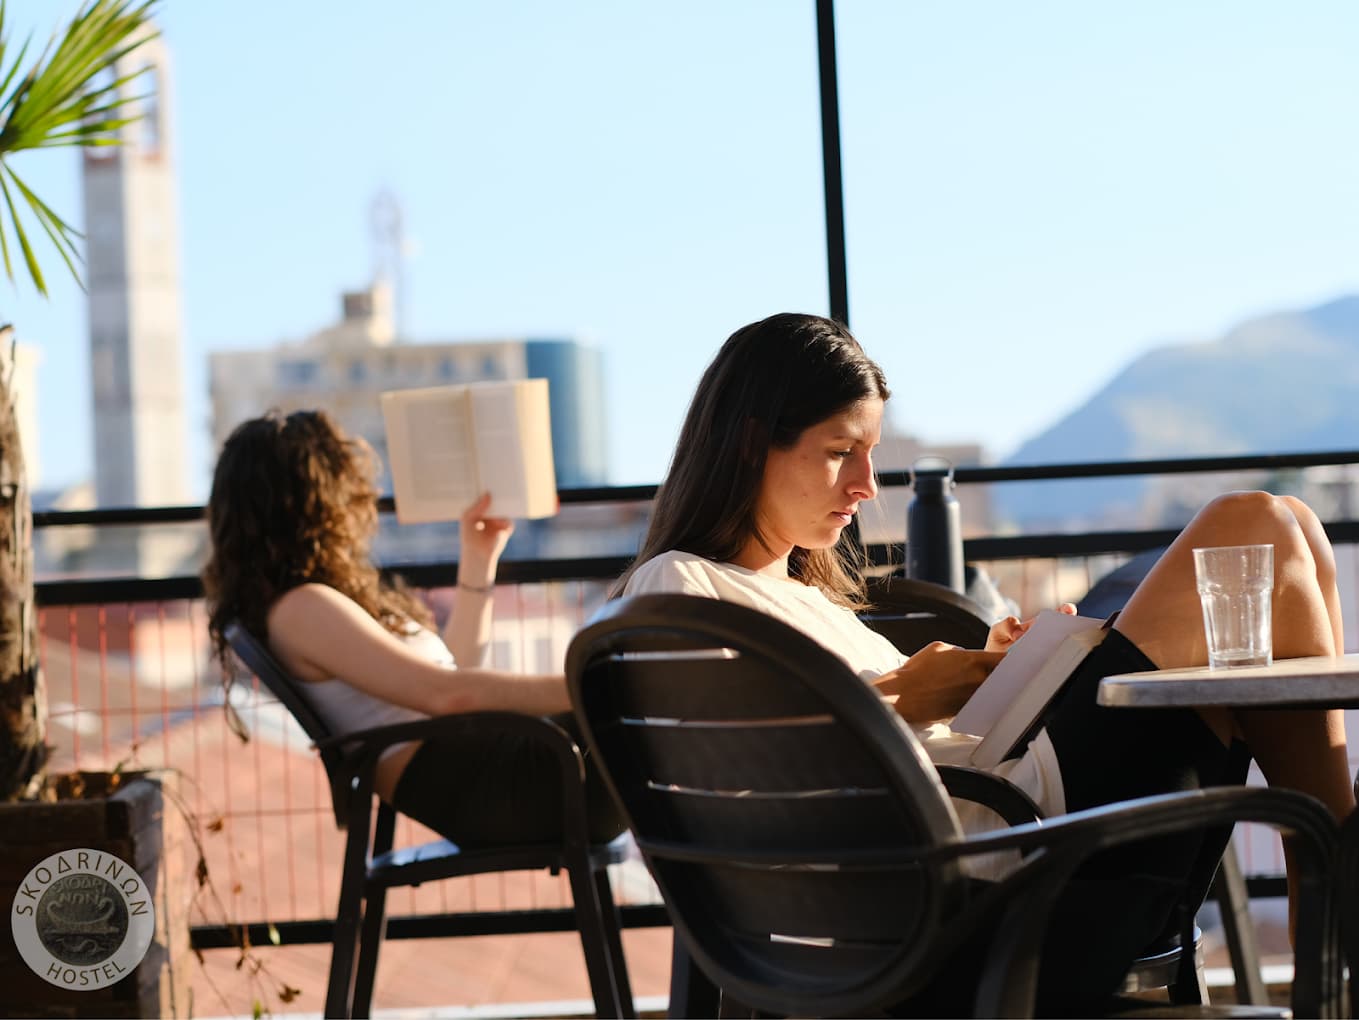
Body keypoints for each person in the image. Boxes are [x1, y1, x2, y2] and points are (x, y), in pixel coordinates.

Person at [614, 311, 1353, 1007]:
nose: (866, 485)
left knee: (1290, 525)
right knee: (1251, 521)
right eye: (840, 451)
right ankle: (1331, 898)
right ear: (749, 443)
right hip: (990, 878)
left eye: (869, 454)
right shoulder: (680, 584)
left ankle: (1327, 895)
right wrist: (906, 696)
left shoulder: (804, 598)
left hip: (1014, 829)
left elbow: (882, 747)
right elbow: (724, 792)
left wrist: (1007, 674)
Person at [203, 409, 622, 848]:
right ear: (314, 501)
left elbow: (452, 675)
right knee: (653, 690)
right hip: (500, 788)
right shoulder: (302, 608)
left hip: (496, 777)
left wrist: (478, 556)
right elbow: (448, 694)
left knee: (665, 699)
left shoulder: (309, 603)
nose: (363, 497)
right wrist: (589, 687)